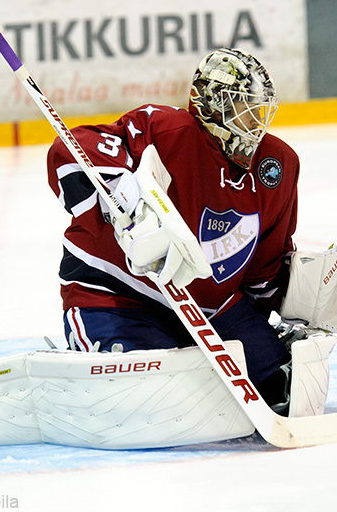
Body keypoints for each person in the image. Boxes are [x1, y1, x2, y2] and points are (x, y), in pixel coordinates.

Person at [46, 48, 297, 413]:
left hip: (214, 309)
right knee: (141, 400)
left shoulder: (278, 165)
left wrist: (300, 296)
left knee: (281, 389)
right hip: (121, 296)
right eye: (240, 107)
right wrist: (120, 189)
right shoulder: (166, 131)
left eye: (256, 109)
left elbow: (265, 265)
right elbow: (69, 151)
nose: (252, 120)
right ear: (210, 105)